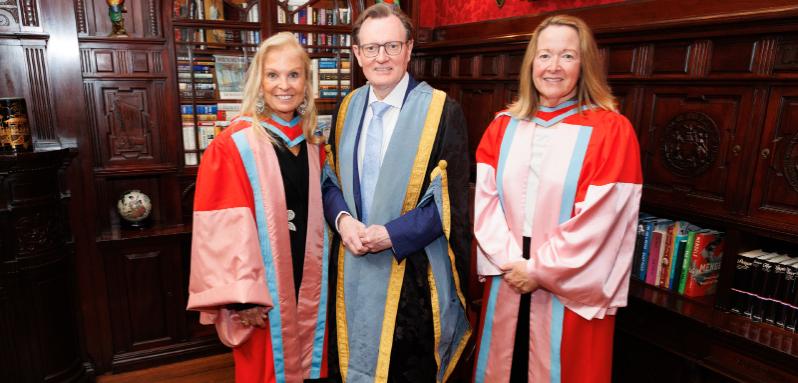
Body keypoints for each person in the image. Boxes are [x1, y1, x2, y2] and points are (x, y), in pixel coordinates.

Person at [472, 15, 643, 383]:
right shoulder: (503, 125)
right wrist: (512, 264)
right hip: (510, 273)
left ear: (585, 65)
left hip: (568, 286)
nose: (553, 67)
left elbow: (602, 221)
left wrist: (538, 271)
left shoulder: (611, 130)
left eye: (567, 56)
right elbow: (486, 205)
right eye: (544, 55)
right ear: (531, 63)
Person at [322, 4, 471, 382]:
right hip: (352, 267)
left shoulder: (442, 111)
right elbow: (329, 181)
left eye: (391, 46)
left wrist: (392, 234)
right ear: (357, 54)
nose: (381, 57)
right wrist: (342, 221)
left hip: (413, 276)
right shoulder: (346, 108)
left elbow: (450, 202)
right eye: (370, 48)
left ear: (409, 48)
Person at [187, 32, 331, 383]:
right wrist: (241, 300)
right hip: (262, 294)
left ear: (306, 82)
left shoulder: (314, 145)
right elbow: (222, 231)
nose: (284, 85)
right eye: (273, 75)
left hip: (308, 283)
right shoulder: (233, 146)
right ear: (259, 81)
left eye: (294, 75)